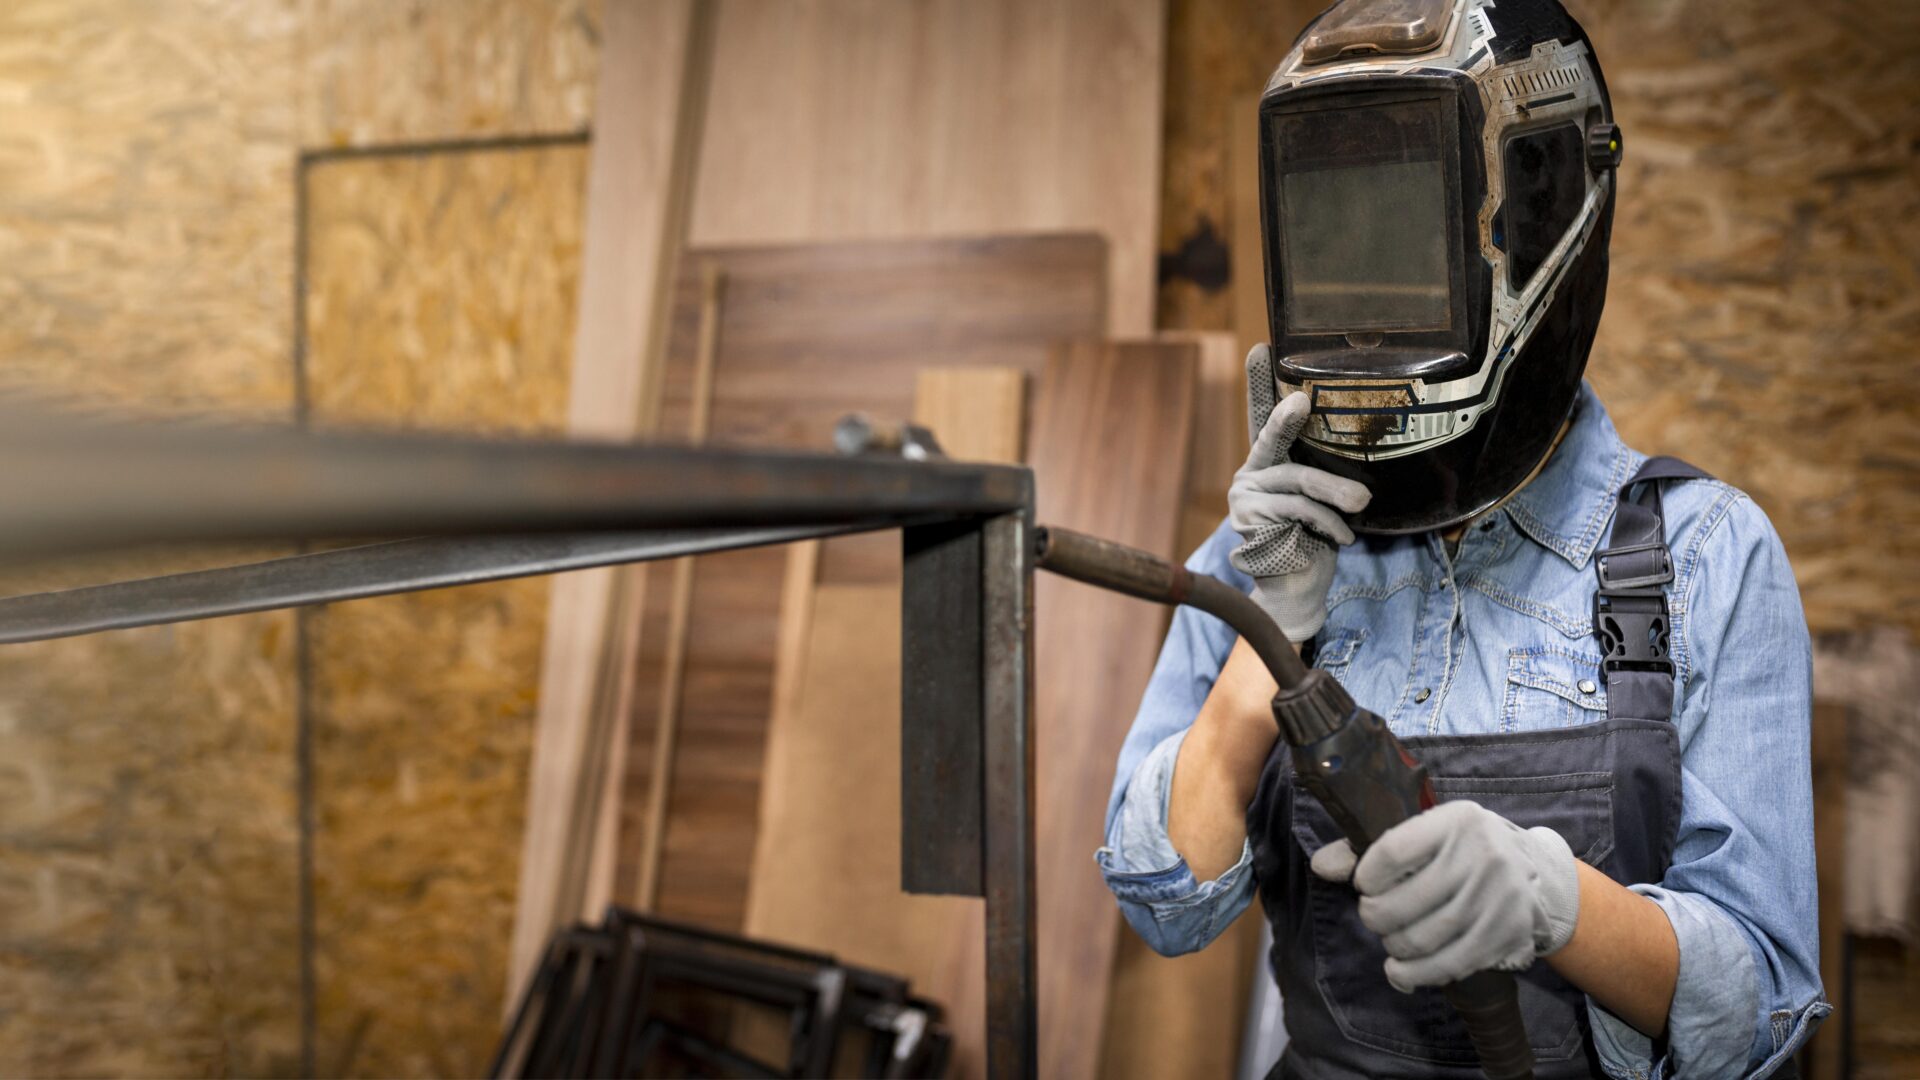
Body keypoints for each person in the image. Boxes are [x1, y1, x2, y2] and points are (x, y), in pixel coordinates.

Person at [1097, 0, 1827, 1077]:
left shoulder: (1705, 555)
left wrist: (1555, 903)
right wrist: (1268, 647)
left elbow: (1763, 1009)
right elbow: (1165, 906)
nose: (1368, 327)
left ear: (1543, 208)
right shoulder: (1261, 560)